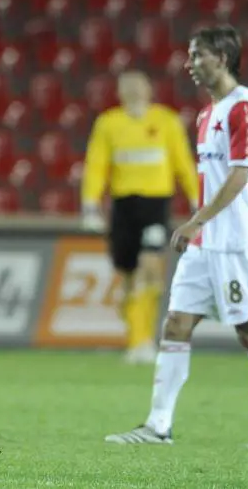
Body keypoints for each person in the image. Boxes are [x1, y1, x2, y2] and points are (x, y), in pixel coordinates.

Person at [105, 25, 248, 448]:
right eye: (190, 55)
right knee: (176, 323)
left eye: (198, 55)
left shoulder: (244, 108)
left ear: (222, 58)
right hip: (205, 244)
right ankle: (158, 425)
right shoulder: (206, 114)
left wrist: (196, 220)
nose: (189, 64)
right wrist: (200, 228)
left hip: (237, 243)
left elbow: (240, 175)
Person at [81, 71, 198, 364]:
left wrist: (197, 197)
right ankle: (136, 339)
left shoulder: (166, 121)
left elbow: (182, 161)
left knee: (150, 267)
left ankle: (144, 341)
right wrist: (90, 203)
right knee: (129, 276)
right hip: (123, 205)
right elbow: (96, 164)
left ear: (148, 89)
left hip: (155, 205)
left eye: (138, 85)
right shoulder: (109, 123)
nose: (133, 90)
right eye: (127, 86)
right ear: (119, 92)